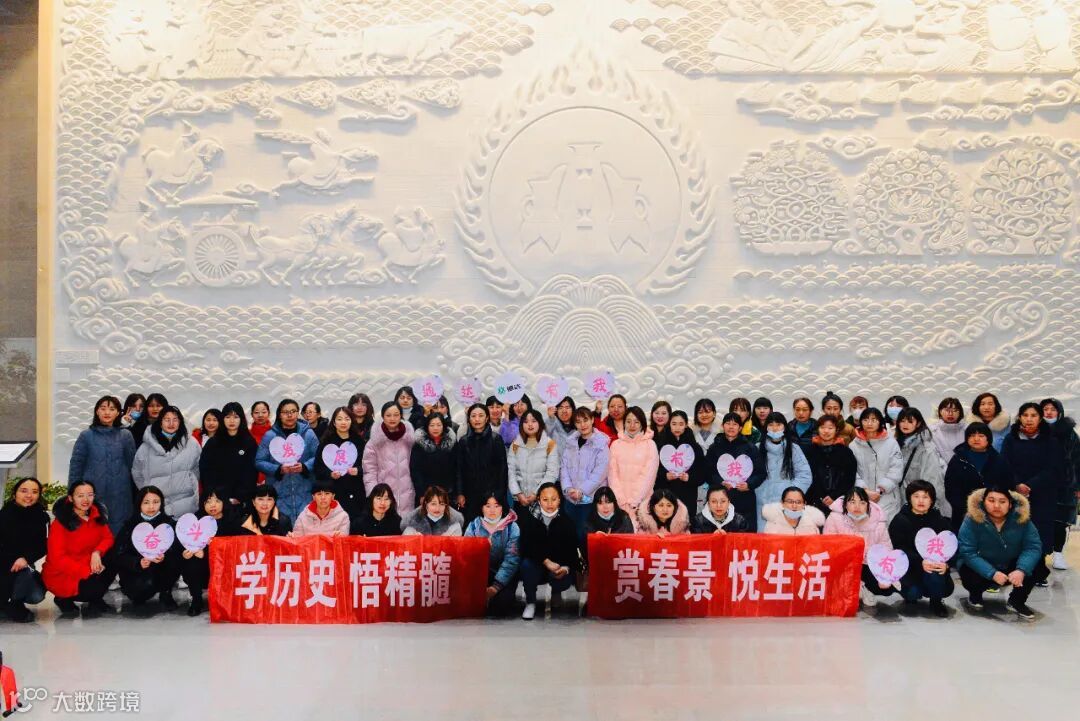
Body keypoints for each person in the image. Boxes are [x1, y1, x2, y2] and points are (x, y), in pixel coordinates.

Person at [999, 402, 1065, 588]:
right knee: (1014, 529)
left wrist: (1030, 485)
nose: (1029, 419)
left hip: (1043, 494)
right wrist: (1017, 484)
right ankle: (1015, 568)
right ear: (1019, 417)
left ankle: (1038, 570)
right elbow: (1004, 464)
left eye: (1033, 415)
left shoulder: (1050, 441)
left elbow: (1053, 468)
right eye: (1025, 415)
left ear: (1040, 418)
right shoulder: (1011, 439)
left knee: (1039, 531)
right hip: (1015, 493)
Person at [957, 486, 1042, 620]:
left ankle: (1017, 600)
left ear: (1010, 504)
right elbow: (967, 552)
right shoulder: (972, 519)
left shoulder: (1022, 519)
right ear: (984, 502)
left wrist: (1021, 569)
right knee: (967, 568)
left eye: (1002, 501)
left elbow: (1033, 547)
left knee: (1037, 564)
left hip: (1010, 566)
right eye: (991, 500)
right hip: (983, 566)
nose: (996, 506)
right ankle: (975, 595)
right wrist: (992, 573)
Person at [42, 481, 117, 618]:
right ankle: (63, 598)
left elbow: (108, 538)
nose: (86, 500)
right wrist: (87, 571)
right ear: (71, 498)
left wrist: (97, 552)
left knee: (115, 555)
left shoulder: (96, 515)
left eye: (90, 495)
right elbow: (57, 558)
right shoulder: (60, 523)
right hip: (64, 573)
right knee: (92, 589)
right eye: (80, 495)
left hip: (89, 562)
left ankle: (95, 598)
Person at [69, 395, 137, 535]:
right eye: (103, 408)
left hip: (120, 494)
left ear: (118, 413)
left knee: (119, 533)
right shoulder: (86, 436)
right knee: (93, 533)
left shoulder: (126, 435)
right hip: (93, 494)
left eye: (112, 409)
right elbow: (76, 466)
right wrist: (72, 493)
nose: (107, 412)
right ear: (97, 411)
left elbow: (133, 467)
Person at [888, 480, 954, 617]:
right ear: (909, 498)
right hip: (909, 567)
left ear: (932, 500)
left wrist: (946, 564)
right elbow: (898, 549)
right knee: (913, 593)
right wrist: (919, 561)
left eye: (925, 497)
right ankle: (910, 597)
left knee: (937, 579)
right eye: (916, 496)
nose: (921, 500)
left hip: (933, 566)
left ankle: (936, 601)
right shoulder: (900, 520)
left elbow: (951, 545)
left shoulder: (939, 520)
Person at [518, 483, 581, 620]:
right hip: (537, 565)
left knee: (564, 577)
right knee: (526, 565)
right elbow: (525, 547)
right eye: (545, 499)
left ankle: (556, 592)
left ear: (559, 500)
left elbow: (572, 551)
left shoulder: (567, 522)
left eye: (554, 499)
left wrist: (566, 568)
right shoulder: (529, 519)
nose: (550, 503)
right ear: (539, 500)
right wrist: (545, 561)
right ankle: (530, 602)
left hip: (557, 568)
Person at [824, 487, 894, 608]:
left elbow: (886, 549)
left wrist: (885, 574)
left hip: (867, 563)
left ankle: (865, 587)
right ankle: (851, 588)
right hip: (843, 564)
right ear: (845, 504)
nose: (857, 506)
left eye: (862, 503)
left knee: (887, 588)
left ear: (868, 505)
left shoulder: (878, 521)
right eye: (852, 502)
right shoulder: (835, 518)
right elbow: (828, 545)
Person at [113, 486, 181, 611]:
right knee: (140, 590)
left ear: (161, 503)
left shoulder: (169, 524)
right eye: (146, 502)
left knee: (174, 559)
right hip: (138, 573)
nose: (151, 507)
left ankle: (166, 592)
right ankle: (138, 595)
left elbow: (178, 549)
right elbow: (119, 554)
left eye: (156, 502)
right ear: (139, 504)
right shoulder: (129, 526)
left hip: (161, 570)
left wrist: (166, 556)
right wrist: (138, 562)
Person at [180, 487, 245, 616]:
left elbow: (238, 547)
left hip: (226, 565)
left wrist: (210, 549)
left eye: (217, 501)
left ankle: (230, 598)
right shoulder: (196, 521)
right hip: (205, 567)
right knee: (191, 562)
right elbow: (185, 543)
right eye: (208, 501)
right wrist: (186, 553)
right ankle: (196, 599)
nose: (213, 505)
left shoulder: (233, 520)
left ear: (224, 502)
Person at [256, 399, 320, 522]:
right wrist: (278, 469)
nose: (289, 415)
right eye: (285, 412)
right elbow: (259, 461)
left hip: (305, 490)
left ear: (298, 413)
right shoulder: (270, 436)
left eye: (293, 411)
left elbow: (319, 457)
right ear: (279, 415)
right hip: (278, 491)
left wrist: (305, 466)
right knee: (282, 527)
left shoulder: (308, 434)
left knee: (305, 527)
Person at [132, 405, 201, 518]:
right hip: (156, 507)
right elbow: (137, 472)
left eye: (175, 419)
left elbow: (197, 469)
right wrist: (148, 491)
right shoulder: (146, 447)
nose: (171, 423)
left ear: (180, 422)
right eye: (167, 419)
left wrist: (189, 483)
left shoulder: (192, 444)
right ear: (160, 422)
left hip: (186, 504)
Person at [705, 412, 766, 531]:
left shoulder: (750, 447)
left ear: (740, 428)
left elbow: (760, 472)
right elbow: (707, 471)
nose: (731, 427)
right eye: (728, 423)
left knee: (744, 535)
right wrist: (720, 482)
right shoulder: (714, 447)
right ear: (722, 426)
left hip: (744, 498)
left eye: (735, 424)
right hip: (720, 499)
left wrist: (749, 484)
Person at [464, 491, 521, 616]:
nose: (492, 510)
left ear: (503, 507)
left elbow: (512, 560)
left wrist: (496, 587)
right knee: (472, 607)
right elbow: (466, 555)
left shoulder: (512, 527)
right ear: (482, 508)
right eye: (488, 506)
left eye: (496, 506)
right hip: (480, 574)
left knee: (500, 608)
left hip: (504, 575)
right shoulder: (473, 527)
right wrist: (481, 547)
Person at [944, 422, 1007, 534]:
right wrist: (966, 508)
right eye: (972, 435)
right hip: (963, 513)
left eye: (981, 436)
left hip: (993, 513)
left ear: (988, 439)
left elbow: (1006, 486)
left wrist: (992, 507)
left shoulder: (998, 460)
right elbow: (950, 487)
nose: (976, 439)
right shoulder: (958, 459)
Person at [0, 478, 49, 622]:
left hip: (23, 565)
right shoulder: (4, 515)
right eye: (24, 491)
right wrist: (12, 560)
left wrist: (26, 558)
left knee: (36, 594)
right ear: (14, 493)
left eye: (34, 492)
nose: (29, 495)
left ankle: (15, 603)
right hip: (3, 564)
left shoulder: (42, 517)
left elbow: (43, 545)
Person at [1040, 398, 1080, 571]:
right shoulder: (1036, 431)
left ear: (1060, 412)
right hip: (1040, 485)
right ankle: (1038, 556)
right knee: (1040, 521)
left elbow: (1078, 461)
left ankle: (1058, 554)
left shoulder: (1070, 433)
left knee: (1060, 522)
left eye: (1053, 409)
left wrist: (1077, 485)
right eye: (1045, 409)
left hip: (1064, 485)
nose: (1049, 412)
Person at [560, 407, 611, 540]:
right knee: (570, 535)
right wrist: (568, 489)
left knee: (587, 537)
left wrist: (581, 491)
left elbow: (600, 474)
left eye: (585, 420)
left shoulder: (601, 444)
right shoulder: (570, 443)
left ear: (592, 420)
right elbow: (564, 468)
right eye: (578, 422)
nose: (582, 425)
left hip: (591, 499)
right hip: (570, 498)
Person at [454, 403, 509, 523]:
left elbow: (502, 470)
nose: (477, 419)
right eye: (473, 416)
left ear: (487, 418)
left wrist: (498, 494)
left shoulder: (496, 439)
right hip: (470, 494)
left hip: (491, 496)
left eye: (481, 415)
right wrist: (460, 493)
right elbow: (459, 469)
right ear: (469, 419)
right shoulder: (463, 441)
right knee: (472, 528)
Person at [198, 401, 258, 508]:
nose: (231, 421)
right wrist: (215, 495)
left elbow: (251, 473)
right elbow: (205, 470)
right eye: (227, 417)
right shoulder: (213, 442)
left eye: (235, 417)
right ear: (223, 419)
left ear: (241, 419)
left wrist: (240, 496)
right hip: (217, 500)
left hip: (241, 500)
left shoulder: (249, 442)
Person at [607, 406, 659, 527]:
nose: (632, 425)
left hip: (642, 502)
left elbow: (649, 475)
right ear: (624, 423)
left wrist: (636, 500)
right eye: (628, 421)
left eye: (636, 422)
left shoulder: (650, 445)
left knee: (641, 535)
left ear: (642, 424)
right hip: (620, 503)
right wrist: (619, 499)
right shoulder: (616, 444)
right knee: (621, 534)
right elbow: (612, 473)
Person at [756, 412, 812, 524]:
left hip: (787, 503)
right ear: (766, 427)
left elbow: (804, 475)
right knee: (763, 533)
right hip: (762, 502)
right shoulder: (757, 448)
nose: (775, 428)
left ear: (784, 427)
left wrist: (791, 495)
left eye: (778, 424)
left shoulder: (794, 449)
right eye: (771, 425)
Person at [849, 408, 904, 520]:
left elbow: (896, 469)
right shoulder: (853, 445)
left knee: (886, 526)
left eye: (874, 420)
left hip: (888, 496)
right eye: (865, 420)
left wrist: (881, 489)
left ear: (880, 422)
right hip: (861, 497)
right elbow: (851, 471)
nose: (869, 423)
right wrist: (864, 490)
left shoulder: (891, 443)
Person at [895, 408, 950, 519]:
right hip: (902, 500)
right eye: (902, 421)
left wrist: (926, 501)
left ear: (918, 423)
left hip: (920, 502)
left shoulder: (926, 448)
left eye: (910, 421)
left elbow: (932, 478)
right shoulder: (897, 444)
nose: (905, 424)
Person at [314, 406, 367, 520]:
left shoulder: (358, 441)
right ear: (334, 422)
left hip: (355, 490)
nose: (343, 422)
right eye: (339, 419)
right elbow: (317, 468)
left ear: (352, 421)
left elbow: (368, 465)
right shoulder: (326, 442)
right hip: (334, 491)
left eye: (347, 419)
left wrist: (358, 470)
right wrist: (330, 474)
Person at [362, 401, 416, 511]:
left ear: (401, 416)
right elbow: (369, 471)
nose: (392, 418)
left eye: (396, 415)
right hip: (383, 496)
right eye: (388, 415)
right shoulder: (374, 442)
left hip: (408, 493)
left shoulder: (409, 439)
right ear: (383, 416)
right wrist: (374, 493)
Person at [652, 410, 705, 517]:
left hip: (688, 496)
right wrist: (665, 476)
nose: (677, 427)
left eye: (681, 424)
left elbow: (702, 473)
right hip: (665, 496)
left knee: (686, 522)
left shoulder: (695, 447)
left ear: (686, 425)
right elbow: (653, 471)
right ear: (669, 424)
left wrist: (689, 478)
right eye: (674, 424)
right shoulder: (660, 445)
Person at [508, 409, 560, 514]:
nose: (530, 424)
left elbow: (552, 473)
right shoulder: (515, 444)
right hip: (520, 499)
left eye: (533, 421)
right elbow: (510, 471)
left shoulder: (550, 444)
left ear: (540, 423)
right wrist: (518, 493)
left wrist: (536, 493)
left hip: (542, 499)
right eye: (526, 422)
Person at [805, 414, 857, 517]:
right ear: (818, 429)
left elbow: (849, 478)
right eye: (822, 427)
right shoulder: (810, 451)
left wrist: (834, 496)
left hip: (840, 501)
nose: (826, 431)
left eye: (830, 428)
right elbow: (806, 475)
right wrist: (818, 496)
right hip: (814, 501)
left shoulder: (845, 452)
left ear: (836, 430)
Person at [410, 413, 457, 505]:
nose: (435, 428)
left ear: (444, 426)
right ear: (427, 426)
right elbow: (415, 471)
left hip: (447, 491)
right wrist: (421, 494)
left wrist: (456, 491)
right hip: (426, 491)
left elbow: (457, 468)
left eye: (439, 425)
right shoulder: (419, 445)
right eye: (432, 425)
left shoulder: (451, 444)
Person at [929, 397, 966, 470]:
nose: (950, 414)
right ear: (940, 411)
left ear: (960, 413)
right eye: (947, 410)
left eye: (955, 410)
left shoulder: (967, 430)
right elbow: (933, 456)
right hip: (940, 472)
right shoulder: (931, 431)